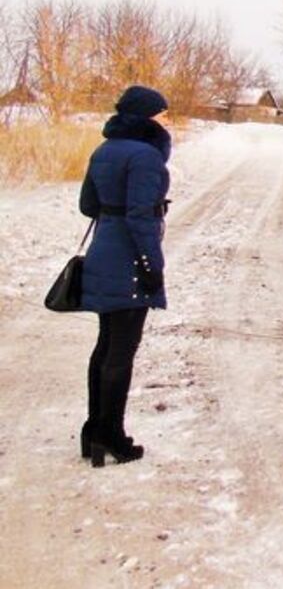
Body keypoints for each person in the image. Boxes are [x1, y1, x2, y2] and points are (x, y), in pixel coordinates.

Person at [77, 85, 172, 467]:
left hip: (104, 248)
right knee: (121, 351)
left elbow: (88, 205)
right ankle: (111, 433)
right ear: (147, 117)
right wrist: (152, 266)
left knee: (105, 344)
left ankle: (93, 429)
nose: (166, 120)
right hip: (129, 258)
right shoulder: (147, 156)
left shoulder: (104, 149)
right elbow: (140, 217)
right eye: (162, 114)